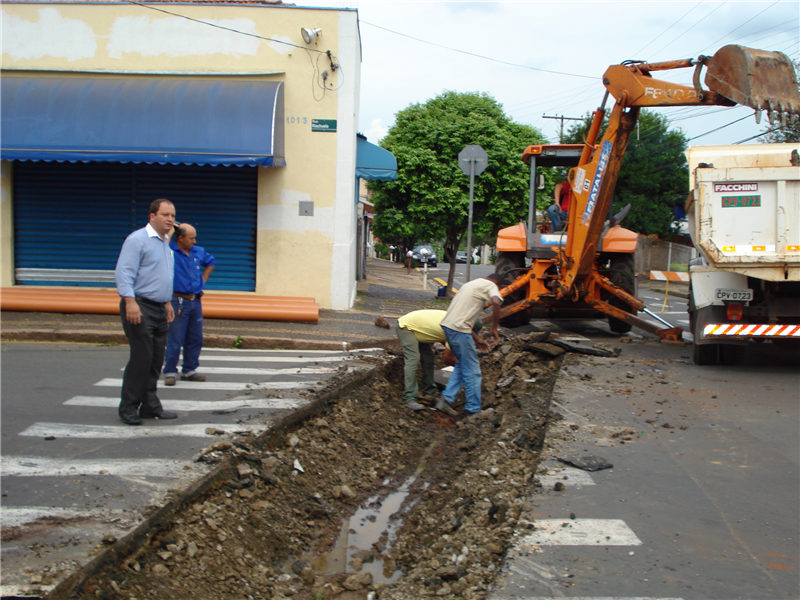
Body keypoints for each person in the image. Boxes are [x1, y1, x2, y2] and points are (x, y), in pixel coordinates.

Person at [114, 199, 178, 425]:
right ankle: (128, 407)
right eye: (165, 215)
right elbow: (124, 273)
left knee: (155, 359)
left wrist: (167, 302)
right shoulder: (137, 240)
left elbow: (162, 275)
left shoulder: (164, 241)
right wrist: (130, 302)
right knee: (141, 358)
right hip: (139, 306)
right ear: (152, 216)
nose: (170, 219)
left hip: (160, 308)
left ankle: (150, 405)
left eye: (172, 215)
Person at [436, 274, 502, 417]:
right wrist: (494, 328)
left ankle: (445, 400)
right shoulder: (491, 285)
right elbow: (496, 302)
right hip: (459, 331)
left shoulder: (470, 284)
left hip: (449, 328)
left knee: (462, 364)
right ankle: (473, 410)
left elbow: (461, 317)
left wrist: (477, 339)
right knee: (472, 370)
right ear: (497, 284)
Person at [396, 310, 485, 412]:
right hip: (407, 327)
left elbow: (446, 342)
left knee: (428, 358)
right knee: (413, 358)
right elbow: (447, 358)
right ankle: (409, 398)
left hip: (419, 327)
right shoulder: (455, 329)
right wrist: (466, 371)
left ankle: (429, 393)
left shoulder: (456, 321)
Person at [163, 223, 216, 386]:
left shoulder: (197, 251)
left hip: (195, 300)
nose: (194, 241)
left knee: (195, 337)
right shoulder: (170, 251)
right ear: (180, 238)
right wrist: (169, 233)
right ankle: (170, 371)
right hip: (177, 300)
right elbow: (159, 253)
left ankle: (189, 370)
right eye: (191, 238)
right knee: (175, 337)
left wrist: (203, 281)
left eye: (195, 238)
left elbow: (211, 262)